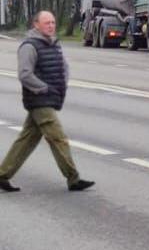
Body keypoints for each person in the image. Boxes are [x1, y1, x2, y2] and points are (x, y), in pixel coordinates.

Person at [0, 11, 94, 193]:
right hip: (39, 99)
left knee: (27, 139)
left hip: (50, 97)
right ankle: (73, 179)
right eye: (46, 23)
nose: (51, 26)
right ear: (36, 25)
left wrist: (62, 83)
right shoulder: (29, 46)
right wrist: (44, 88)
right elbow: (25, 74)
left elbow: (63, 66)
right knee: (58, 138)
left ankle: (3, 174)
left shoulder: (54, 44)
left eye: (53, 22)